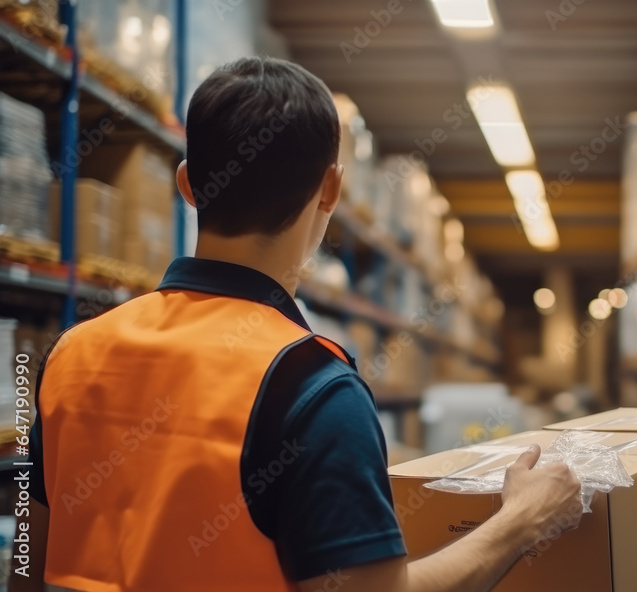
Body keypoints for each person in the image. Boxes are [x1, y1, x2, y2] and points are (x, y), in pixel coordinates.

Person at [14, 57, 582, 592]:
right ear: (331, 190)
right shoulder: (310, 387)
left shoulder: (71, 353)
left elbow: (25, 563)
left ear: (187, 185)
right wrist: (522, 521)